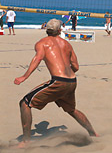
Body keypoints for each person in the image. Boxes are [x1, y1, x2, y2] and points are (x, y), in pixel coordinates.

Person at [14, 19, 98, 148]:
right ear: (60, 30)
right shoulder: (67, 44)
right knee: (71, 110)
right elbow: (76, 66)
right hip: (72, 81)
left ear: (46, 29)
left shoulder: (42, 43)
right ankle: (93, 134)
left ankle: (26, 141)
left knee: (25, 103)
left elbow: (38, 58)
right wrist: (66, 71)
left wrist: (24, 76)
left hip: (58, 82)